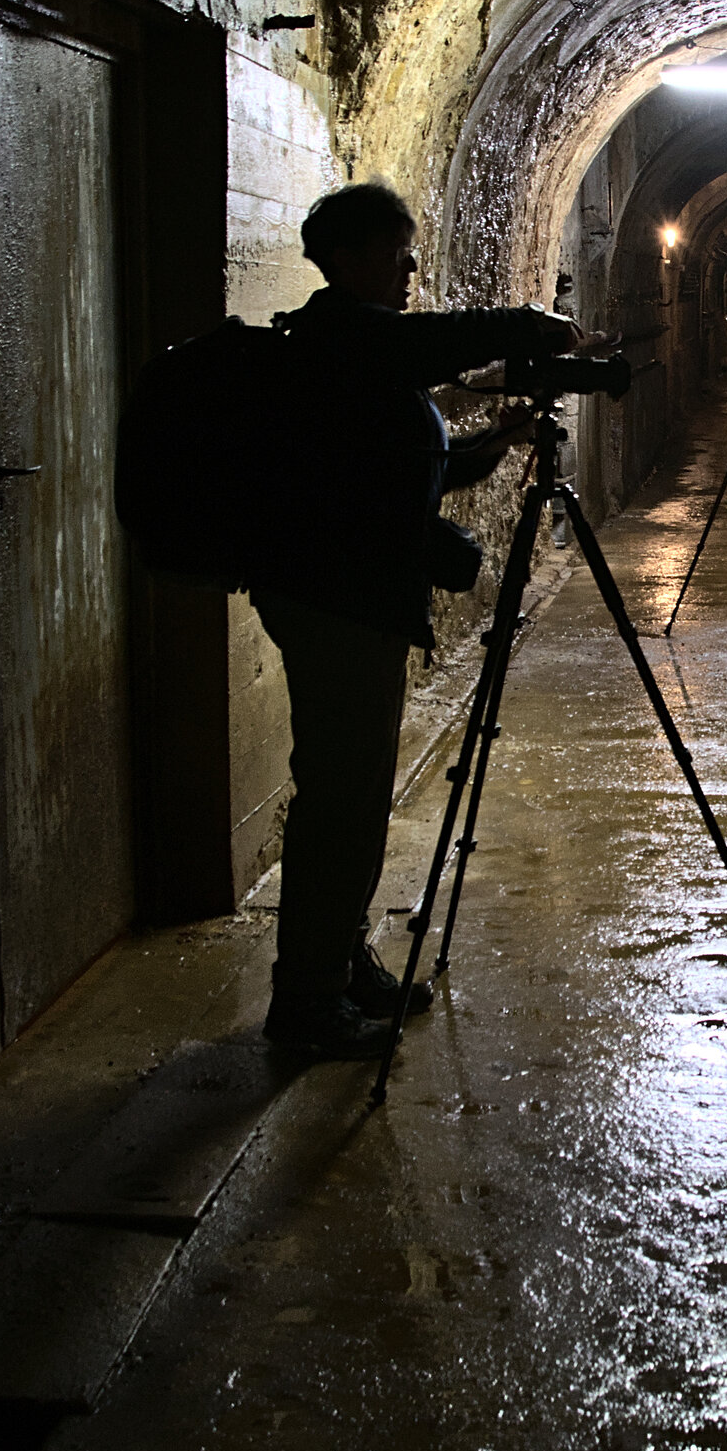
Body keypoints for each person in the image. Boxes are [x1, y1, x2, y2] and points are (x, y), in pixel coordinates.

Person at [254, 182, 578, 1060]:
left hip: (351, 594)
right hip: (334, 600)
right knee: (340, 798)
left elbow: (413, 480)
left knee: (357, 794)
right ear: (353, 257)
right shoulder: (346, 338)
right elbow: (429, 343)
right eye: (398, 252)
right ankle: (306, 1005)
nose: (410, 268)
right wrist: (525, 323)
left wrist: (498, 444)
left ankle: (339, 959)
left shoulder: (362, 349)